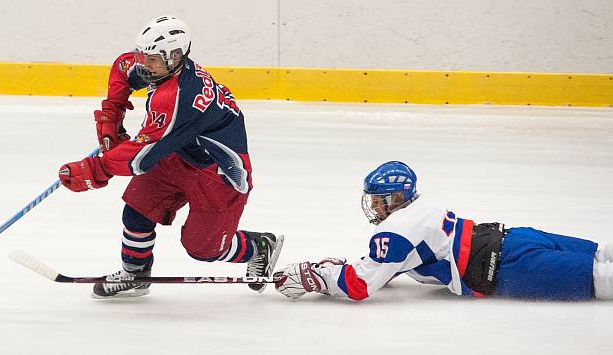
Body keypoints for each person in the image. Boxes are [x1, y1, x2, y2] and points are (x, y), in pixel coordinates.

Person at [58, 16, 283, 299]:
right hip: (177, 153)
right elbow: (122, 66)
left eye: (150, 59)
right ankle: (135, 274)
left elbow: (140, 157)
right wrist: (112, 114)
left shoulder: (179, 96)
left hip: (218, 173)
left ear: (175, 56)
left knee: (203, 248)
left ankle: (258, 247)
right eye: (143, 55)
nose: (143, 64)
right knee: (138, 208)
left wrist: (95, 169)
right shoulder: (161, 66)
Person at [273, 161, 613, 302]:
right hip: (517, 237)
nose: (374, 207)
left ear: (394, 199)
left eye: (378, 201)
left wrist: (316, 278)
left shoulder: (393, 232)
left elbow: (361, 285)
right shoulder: (421, 209)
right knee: (601, 254)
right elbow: (394, 263)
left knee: (603, 280)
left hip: (509, 270)